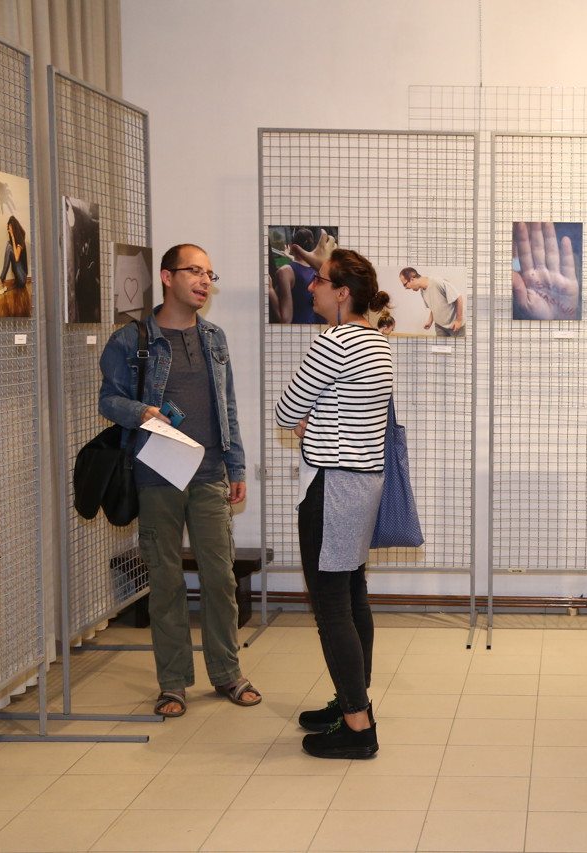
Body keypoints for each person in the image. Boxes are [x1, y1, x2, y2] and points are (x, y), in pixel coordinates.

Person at [98, 243, 257, 717]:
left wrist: (236, 466)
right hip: (155, 476)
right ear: (167, 277)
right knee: (165, 583)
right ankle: (172, 684)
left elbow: (227, 407)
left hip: (208, 475)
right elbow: (108, 399)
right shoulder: (131, 339)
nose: (205, 281)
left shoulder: (215, 337)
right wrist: (141, 411)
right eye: (194, 271)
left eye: (210, 274)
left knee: (220, 580)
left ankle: (227, 673)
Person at [275, 248, 393, 760]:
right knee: (352, 595)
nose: (311, 287)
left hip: (331, 485)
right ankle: (352, 702)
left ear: (342, 293)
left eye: (319, 281)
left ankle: (357, 726)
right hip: (362, 485)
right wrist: (315, 416)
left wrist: (308, 419)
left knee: (331, 607)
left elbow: (286, 411)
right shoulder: (378, 341)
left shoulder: (336, 341)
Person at [271, 227, 326, 324]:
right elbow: (300, 263)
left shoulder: (284, 272)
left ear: (293, 247)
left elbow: (285, 320)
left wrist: (269, 289)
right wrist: (288, 255)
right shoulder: (318, 268)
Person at [399, 267, 465, 336]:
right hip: (440, 327)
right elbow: (434, 307)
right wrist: (430, 321)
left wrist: (459, 320)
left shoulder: (437, 282)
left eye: (405, 284)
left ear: (412, 279)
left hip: (455, 326)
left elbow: (458, 297)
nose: (406, 288)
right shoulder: (422, 290)